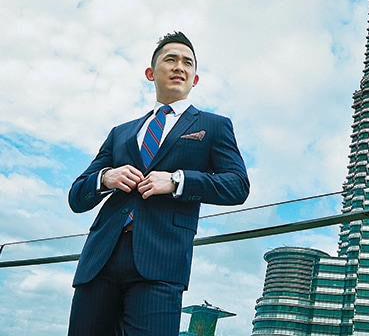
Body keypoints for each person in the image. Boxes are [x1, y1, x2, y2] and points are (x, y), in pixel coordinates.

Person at [67, 31, 250, 336]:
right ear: (151, 73)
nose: (180, 66)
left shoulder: (214, 126)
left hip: (162, 261)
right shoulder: (120, 133)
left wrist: (178, 181)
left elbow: (237, 185)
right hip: (100, 258)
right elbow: (77, 196)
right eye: (171, 59)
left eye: (187, 63)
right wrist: (105, 177)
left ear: (195, 79)